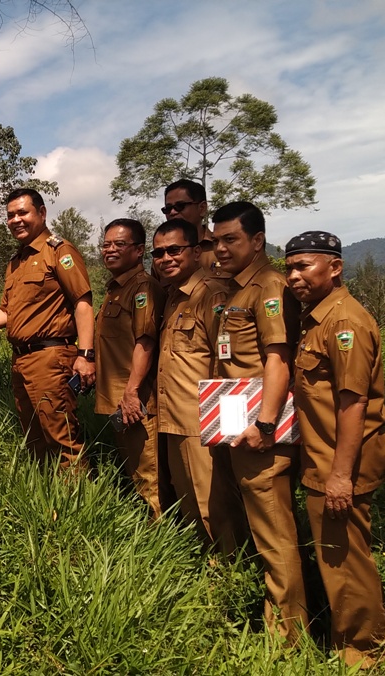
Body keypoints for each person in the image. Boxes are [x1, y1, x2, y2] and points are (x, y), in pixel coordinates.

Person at [285, 231, 385, 667]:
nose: (294, 276)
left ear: (335, 266)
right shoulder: (319, 318)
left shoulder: (343, 323)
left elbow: (354, 403)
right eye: (289, 268)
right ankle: (349, 639)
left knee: (344, 558)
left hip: (339, 461)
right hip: (322, 456)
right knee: (335, 556)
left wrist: (341, 474)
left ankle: (363, 651)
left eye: (304, 266)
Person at [209, 201, 307, 642]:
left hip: (259, 431)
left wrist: (265, 426)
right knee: (255, 524)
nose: (221, 249)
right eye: (216, 241)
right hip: (236, 424)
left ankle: (286, 636)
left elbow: (278, 360)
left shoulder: (269, 286)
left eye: (231, 239)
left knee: (274, 533)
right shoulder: (236, 288)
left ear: (257, 240)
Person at [0, 188, 96, 471]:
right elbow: (5, 313)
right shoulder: (16, 262)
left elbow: (82, 301)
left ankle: (81, 505)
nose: (15, 220)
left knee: (62, 437)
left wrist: (86, 354)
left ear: (41, 213)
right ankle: (46, 501)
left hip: (51, 358)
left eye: (22, 213)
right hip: (21, 361)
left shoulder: (59, 251)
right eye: (10, 216)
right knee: (34, 438)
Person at [153, 218, 246, 553]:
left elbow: (230, 364)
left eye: (174, 250)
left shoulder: (213, 295)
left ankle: (229, 574)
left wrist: (231, 429)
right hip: (175, 418)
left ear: (195, 252)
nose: (166, 258)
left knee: (214, 506)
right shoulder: (173, 297)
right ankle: (207, 567)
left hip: (202, 421)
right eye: (159, 253)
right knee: (190, 501)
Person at [94, 218, 166, 512]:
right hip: (117, 399)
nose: (110, 250)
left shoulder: (142, 288)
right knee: (133, 470)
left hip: (135, 401)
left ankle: (159, 536)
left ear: (138, 251)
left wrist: (132, 392)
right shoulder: (116, 288)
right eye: (106, 244)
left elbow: (145, 342)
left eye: (119, 244)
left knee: (148, 474)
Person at [159, 179, 223, 276]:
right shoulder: (162, 255)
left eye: (180, 206)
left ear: (202, 208)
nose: (172, 212)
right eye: (168, 208)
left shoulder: (222, 248)